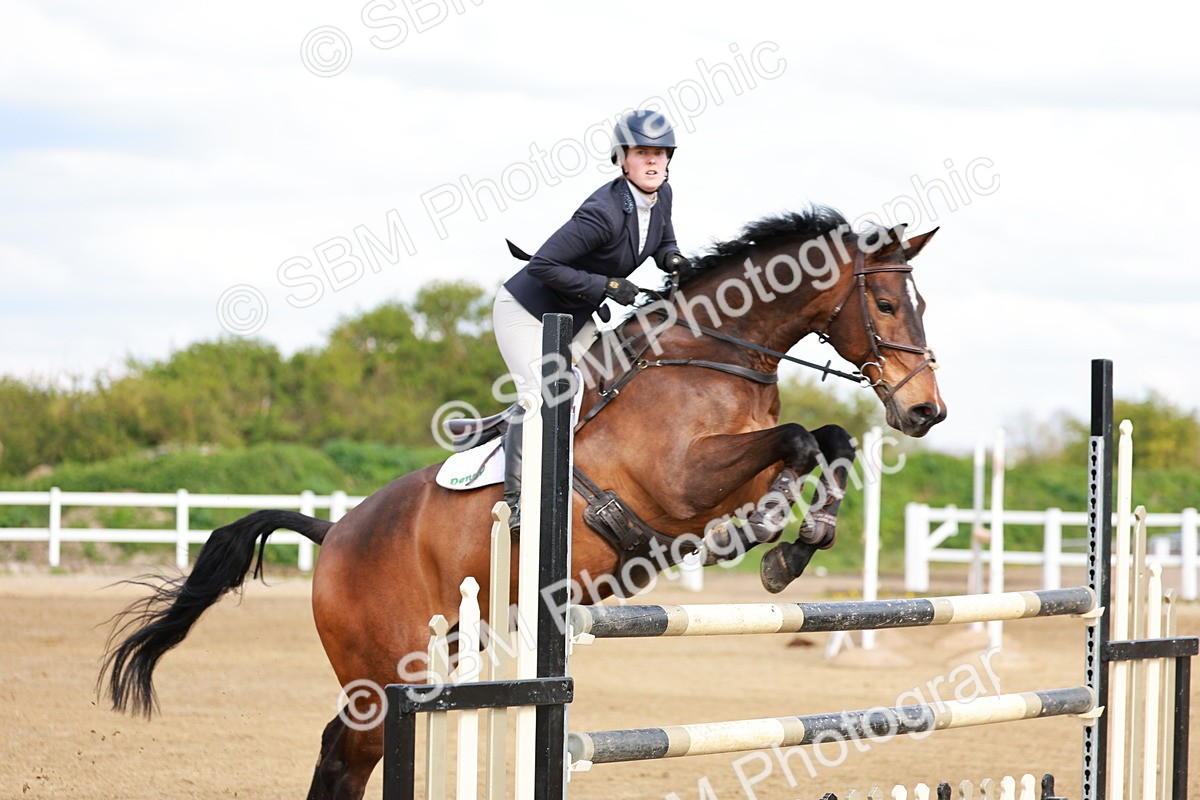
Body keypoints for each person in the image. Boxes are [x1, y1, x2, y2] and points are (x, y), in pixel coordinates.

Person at [493, 108, 691, 531]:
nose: (653, 161)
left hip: (573, 316)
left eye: (660, 152)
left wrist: (672, 258)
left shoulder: (662, 196)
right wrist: (607, 286)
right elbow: (543, 265)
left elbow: (663, 238)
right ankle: (516, 502)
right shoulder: (601, 212)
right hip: (526, 313)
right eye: (642, 152)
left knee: (607, 385)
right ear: (622, 159)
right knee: (543, 395)